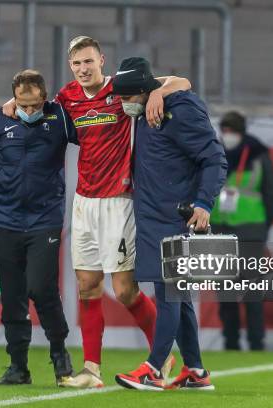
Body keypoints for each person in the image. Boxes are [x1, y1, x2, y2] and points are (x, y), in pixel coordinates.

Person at [3, 36, 191, 388]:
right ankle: (91, 370)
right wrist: (12, 101)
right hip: (84, 202)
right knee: (88, 286)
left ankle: (162, 356)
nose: (83, 69)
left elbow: (182, 82)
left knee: (124, 290)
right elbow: (36, 103)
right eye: (76, 64)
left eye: (88, 62)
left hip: (119, 201)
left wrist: (156, 93)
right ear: (70, 66)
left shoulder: (121, 88)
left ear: (101, 60)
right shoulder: (66, 98)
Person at [112, 57, 227, 391]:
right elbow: (171, 79)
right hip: (154, 216)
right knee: (178, 296)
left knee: (170, 295)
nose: (123, 105)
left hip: (174, 218)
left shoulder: (181, 111)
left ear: (142, 92)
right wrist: (163, 87)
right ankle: (195, 371)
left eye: (127, 99)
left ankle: (153, 368)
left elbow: (214, 158)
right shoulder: (152, 101)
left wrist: (204, 203)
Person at [0, 70, 77, 386]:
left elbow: (93, 141)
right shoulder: (0, 119)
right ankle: (18, 366)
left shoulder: (60, 118)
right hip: (4, 218)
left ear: (45, 98)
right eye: (21, 104)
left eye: (33, 105)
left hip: (45, 219)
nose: (28, 111)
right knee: (12, 295)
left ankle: (59, 355)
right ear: (13, 99)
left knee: (41, 288)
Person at [210, 111, 273, 351]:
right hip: (220, 229)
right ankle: (230, 343)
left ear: (241, 132)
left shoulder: (258, 156)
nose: (228, 136)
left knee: (252, 291)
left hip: (250, 231)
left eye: (232, 131)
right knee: (225, 291)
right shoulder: (213, 152)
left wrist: (262, 228)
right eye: (225, 131)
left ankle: (256, 342)